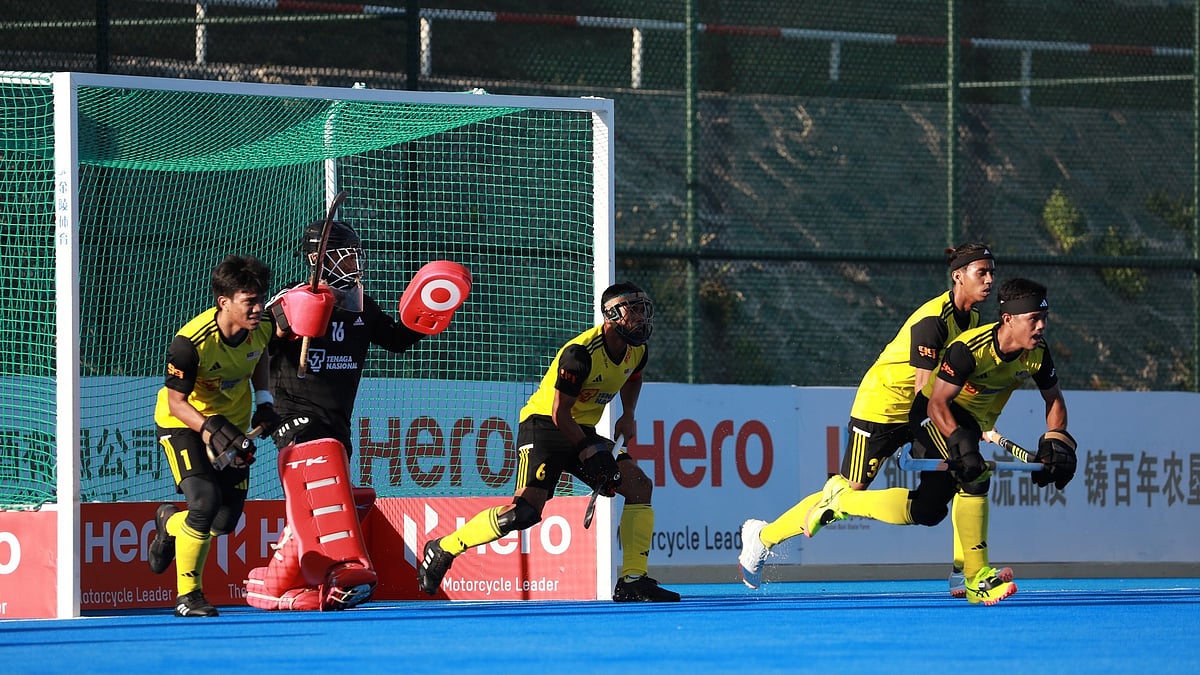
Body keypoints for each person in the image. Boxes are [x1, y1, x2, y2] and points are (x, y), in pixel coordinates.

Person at [738, 242, 995, 595]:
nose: (990, 280)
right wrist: (956, 429)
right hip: (883, 409)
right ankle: (761, 537)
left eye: (992, 272)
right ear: (958, 276)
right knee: (847, 492)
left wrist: (971, 425)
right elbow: (925, 390)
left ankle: (962, 571)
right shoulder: (933, 321)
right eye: (981, 272)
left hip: (920, 413)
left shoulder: (975, 319)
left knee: (959, 476)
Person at [244, 218, 470, 611]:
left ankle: (270, 588)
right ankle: (346, 568)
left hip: (336, 424)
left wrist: (430, 313)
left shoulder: (363, 309)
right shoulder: (289, 300)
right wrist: (287, 324)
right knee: (324, 483)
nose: (355, 264)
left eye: (356, 256)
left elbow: (398, 340)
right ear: (319, 259)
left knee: (314, 506)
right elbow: (255, 338)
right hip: (294, 417)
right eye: (346, 257)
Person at [417, 282, 680, 602]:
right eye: (632, 310)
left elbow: (633, 377)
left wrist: (629, 412)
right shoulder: (579, 354)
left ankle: (632, 581)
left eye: (643, 309)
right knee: (524, 513)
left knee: (638, 485)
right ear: (610, 315)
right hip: (544, 426)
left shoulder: (637, 350)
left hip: (580, 427)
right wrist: (588, 452)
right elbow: (559, 414)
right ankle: (445, 547)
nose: (641, 317)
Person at [148, 254, 278, 618]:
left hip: (232, 426)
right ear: (224, 302)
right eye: (249, 301)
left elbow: (260, 357)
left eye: (260, 299)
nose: (258, 308)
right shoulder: (190, 343)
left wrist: (264, 401)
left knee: (224, 522)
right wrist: (209, 429)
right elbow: (176, 403)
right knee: (203, 503)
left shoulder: (263, 325)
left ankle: (169, 524)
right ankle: (188, 596)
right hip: (185, 421)